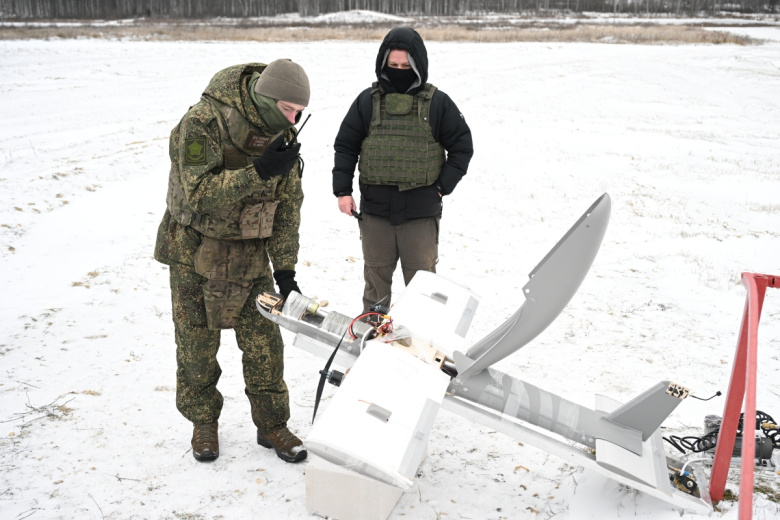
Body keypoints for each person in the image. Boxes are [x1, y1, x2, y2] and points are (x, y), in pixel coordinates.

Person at [154, 59, 310, 464]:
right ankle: (203, 423)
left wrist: (286, 269)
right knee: (196, 346)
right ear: (269, 98)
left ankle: (273, 424)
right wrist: (258, 171)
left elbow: (288, 206)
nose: (295, 119)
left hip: (250, 254)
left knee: (264, 345)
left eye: (299, 113)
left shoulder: (282, 134)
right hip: (194, 251)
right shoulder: (202, 122)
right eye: (290, 109)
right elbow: (200, 192)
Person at [332, 27, 473, 312]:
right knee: (376, 286)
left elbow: (462, 147)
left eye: (406, 66)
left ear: (418, 65)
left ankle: (419, 344)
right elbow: (346, 146)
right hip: (376, 211)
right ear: (383, 64)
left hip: (420, 211)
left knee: (423, 288)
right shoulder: (366, 101)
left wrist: (441, 187)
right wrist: (343, 191)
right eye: (393, 65)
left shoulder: (438, 103)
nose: (399, 71)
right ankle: (371, 337)